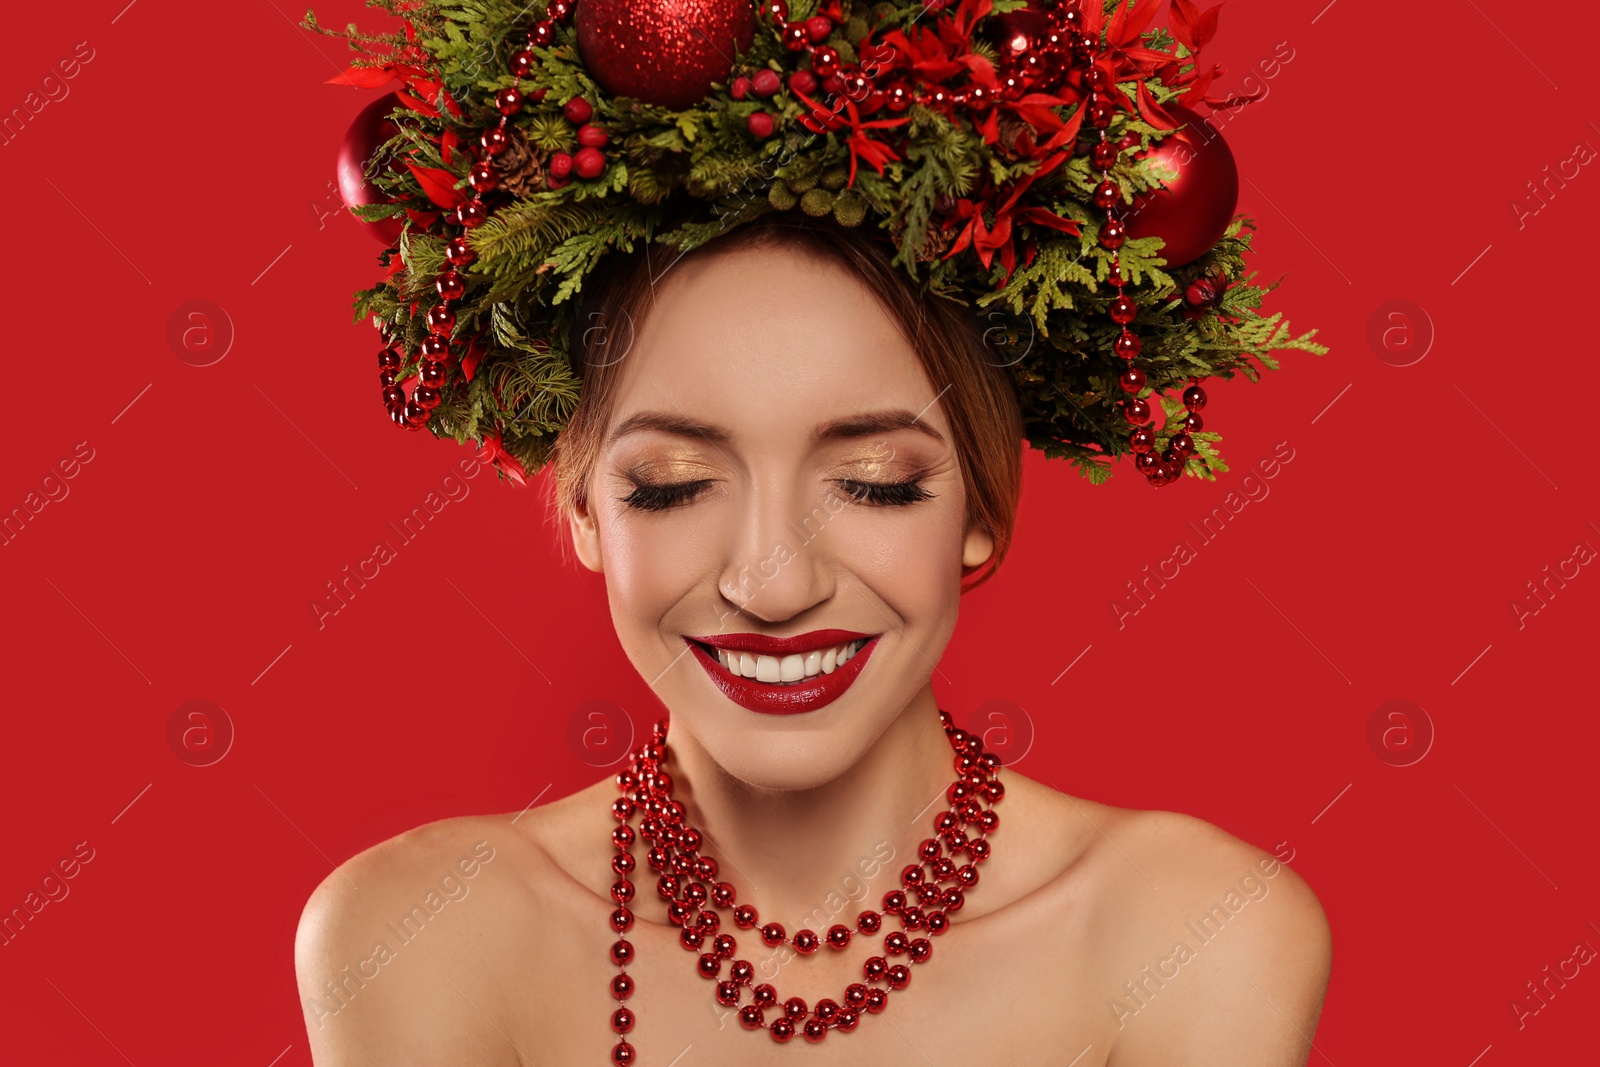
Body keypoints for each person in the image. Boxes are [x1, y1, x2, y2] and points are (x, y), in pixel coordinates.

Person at [294, 211, 1331, 1065]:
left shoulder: (1194, 931)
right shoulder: (416, 930)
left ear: (978, 506)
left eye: (874, 483)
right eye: (674, 485)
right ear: (583, 512)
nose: (772, 581)